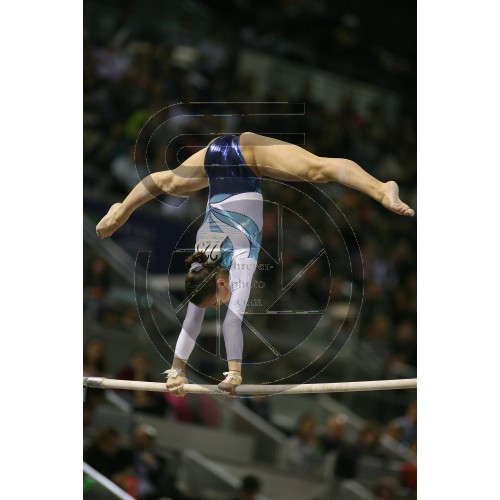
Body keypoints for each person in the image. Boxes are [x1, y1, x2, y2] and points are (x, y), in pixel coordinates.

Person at [96, 132, 414, 395]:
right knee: (170, 183)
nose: (218, 305)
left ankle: (381, 188)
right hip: (216, 158)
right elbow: (193, 318)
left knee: (317, 171)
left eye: (216, 301)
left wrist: (234, 374)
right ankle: (121, 210)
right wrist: (176, 372)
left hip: (247, 155)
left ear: (221, 282)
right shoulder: (204, 264)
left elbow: (231, 322)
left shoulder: (240, 262)